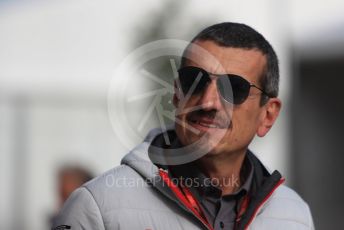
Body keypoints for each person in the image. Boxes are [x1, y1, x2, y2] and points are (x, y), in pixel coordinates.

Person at [52, 22, 314, 230]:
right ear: (177, 94)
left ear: (268, 115)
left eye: (234, 88)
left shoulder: (294, 216)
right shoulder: (97, 206)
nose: (209, 102)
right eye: (194, 81)